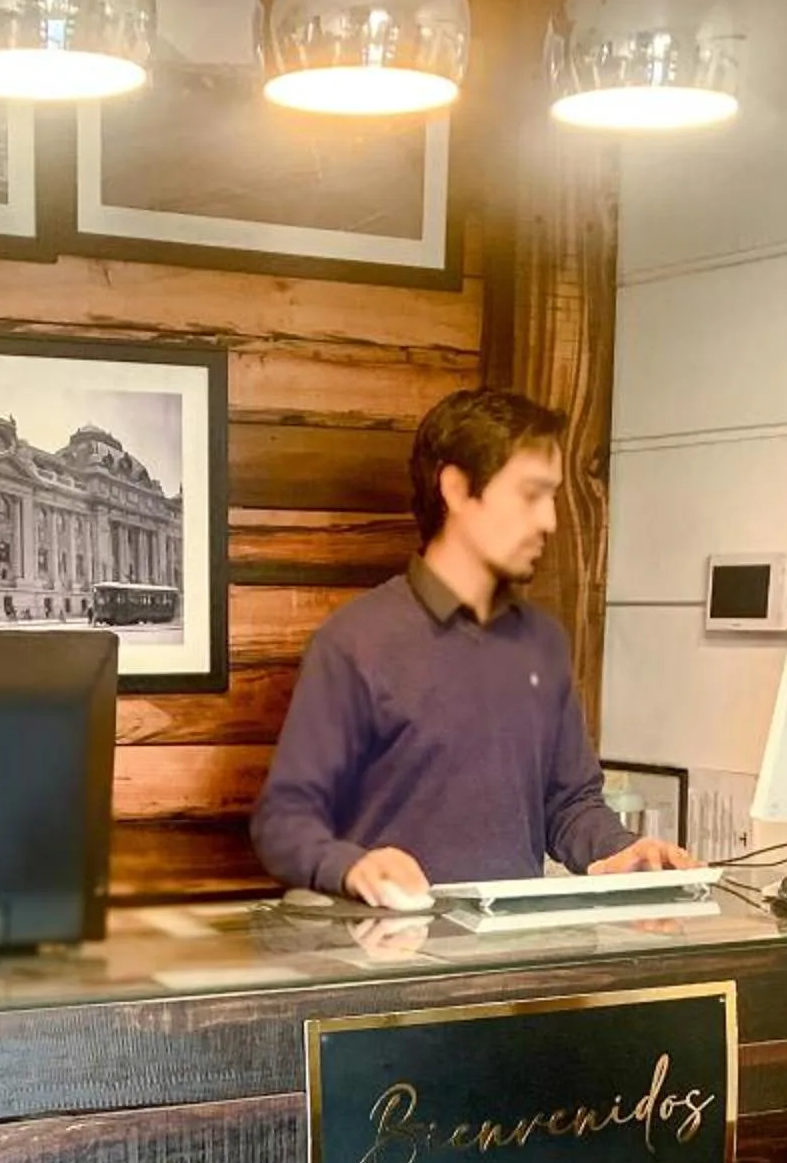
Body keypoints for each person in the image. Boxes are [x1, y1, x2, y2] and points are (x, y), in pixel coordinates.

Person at [250, 387, 696, 906]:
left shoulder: (542, 643)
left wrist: (620, 850)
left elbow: (571, 804)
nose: (550, 520)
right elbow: (283, 822)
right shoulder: (354, 642)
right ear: (458, 489)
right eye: (531, 495)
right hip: (387, 968)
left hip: (514, 966)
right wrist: (352, 867)